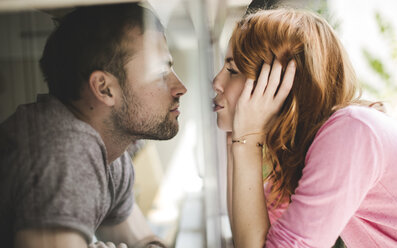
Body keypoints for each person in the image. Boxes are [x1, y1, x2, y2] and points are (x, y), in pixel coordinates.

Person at [0, 2, 186, 248]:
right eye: (160, 71)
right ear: (104, 88)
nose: (180, 88)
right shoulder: (63, 150)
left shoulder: (110, 149)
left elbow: (141, 239)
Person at [212, 8, 397, 248]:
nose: (216, 82)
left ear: (280, 84)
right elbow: (250, 238)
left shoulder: (352, 131)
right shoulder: (298, 159)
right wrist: (238, 140)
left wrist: (246, 141)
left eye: (232, 70)